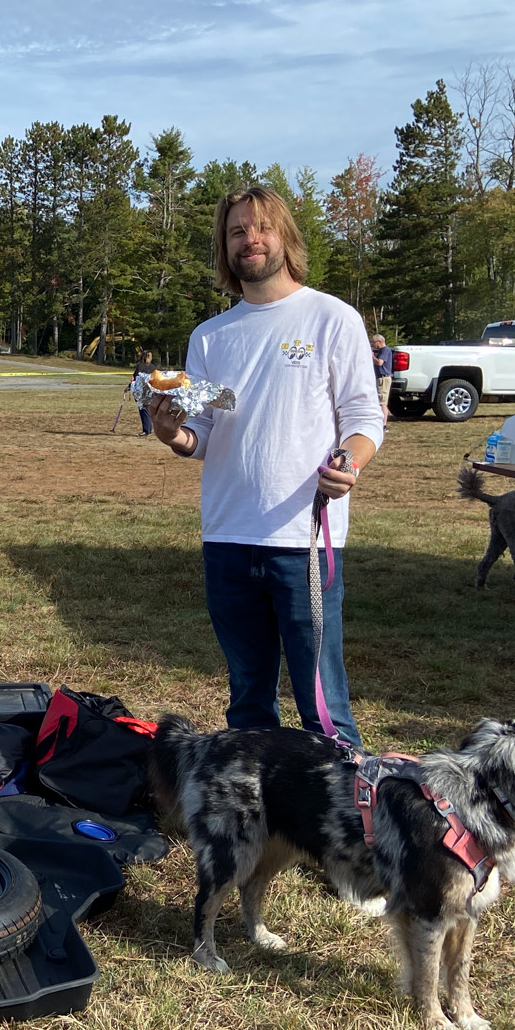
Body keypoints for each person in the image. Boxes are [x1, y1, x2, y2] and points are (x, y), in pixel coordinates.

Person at [145, 186, 384, 749]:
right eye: (236, 231)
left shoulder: (332, 318)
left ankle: (347, 798)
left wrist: (349, 461)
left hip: (303, 539)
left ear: (285, 238)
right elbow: (203, 435)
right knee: (248, 701)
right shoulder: (210, 336)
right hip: (227, 538)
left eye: (261, 228)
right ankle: (257, 801)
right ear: (225, 248)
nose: (249, 239)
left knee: (322, 705)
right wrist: (171, 433)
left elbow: (364, 418)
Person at [127, 350, 157, 435]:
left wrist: (130, 386)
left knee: (143, 410)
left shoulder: (140, 366)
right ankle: (148, 429)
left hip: (142, 391)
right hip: (151, 391)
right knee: (147, 410)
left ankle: (146, 430)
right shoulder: (153, 367)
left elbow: (136, 378)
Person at [371, 333, 393, 420]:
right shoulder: (381, 351)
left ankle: (383, 423)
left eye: (374, 342)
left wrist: (372, 357)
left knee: (382, 402)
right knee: (380, 401)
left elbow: (380, 363)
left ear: (379, 341)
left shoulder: (385, 350)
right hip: (380, 378)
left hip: (383, 379)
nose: (373, 344)